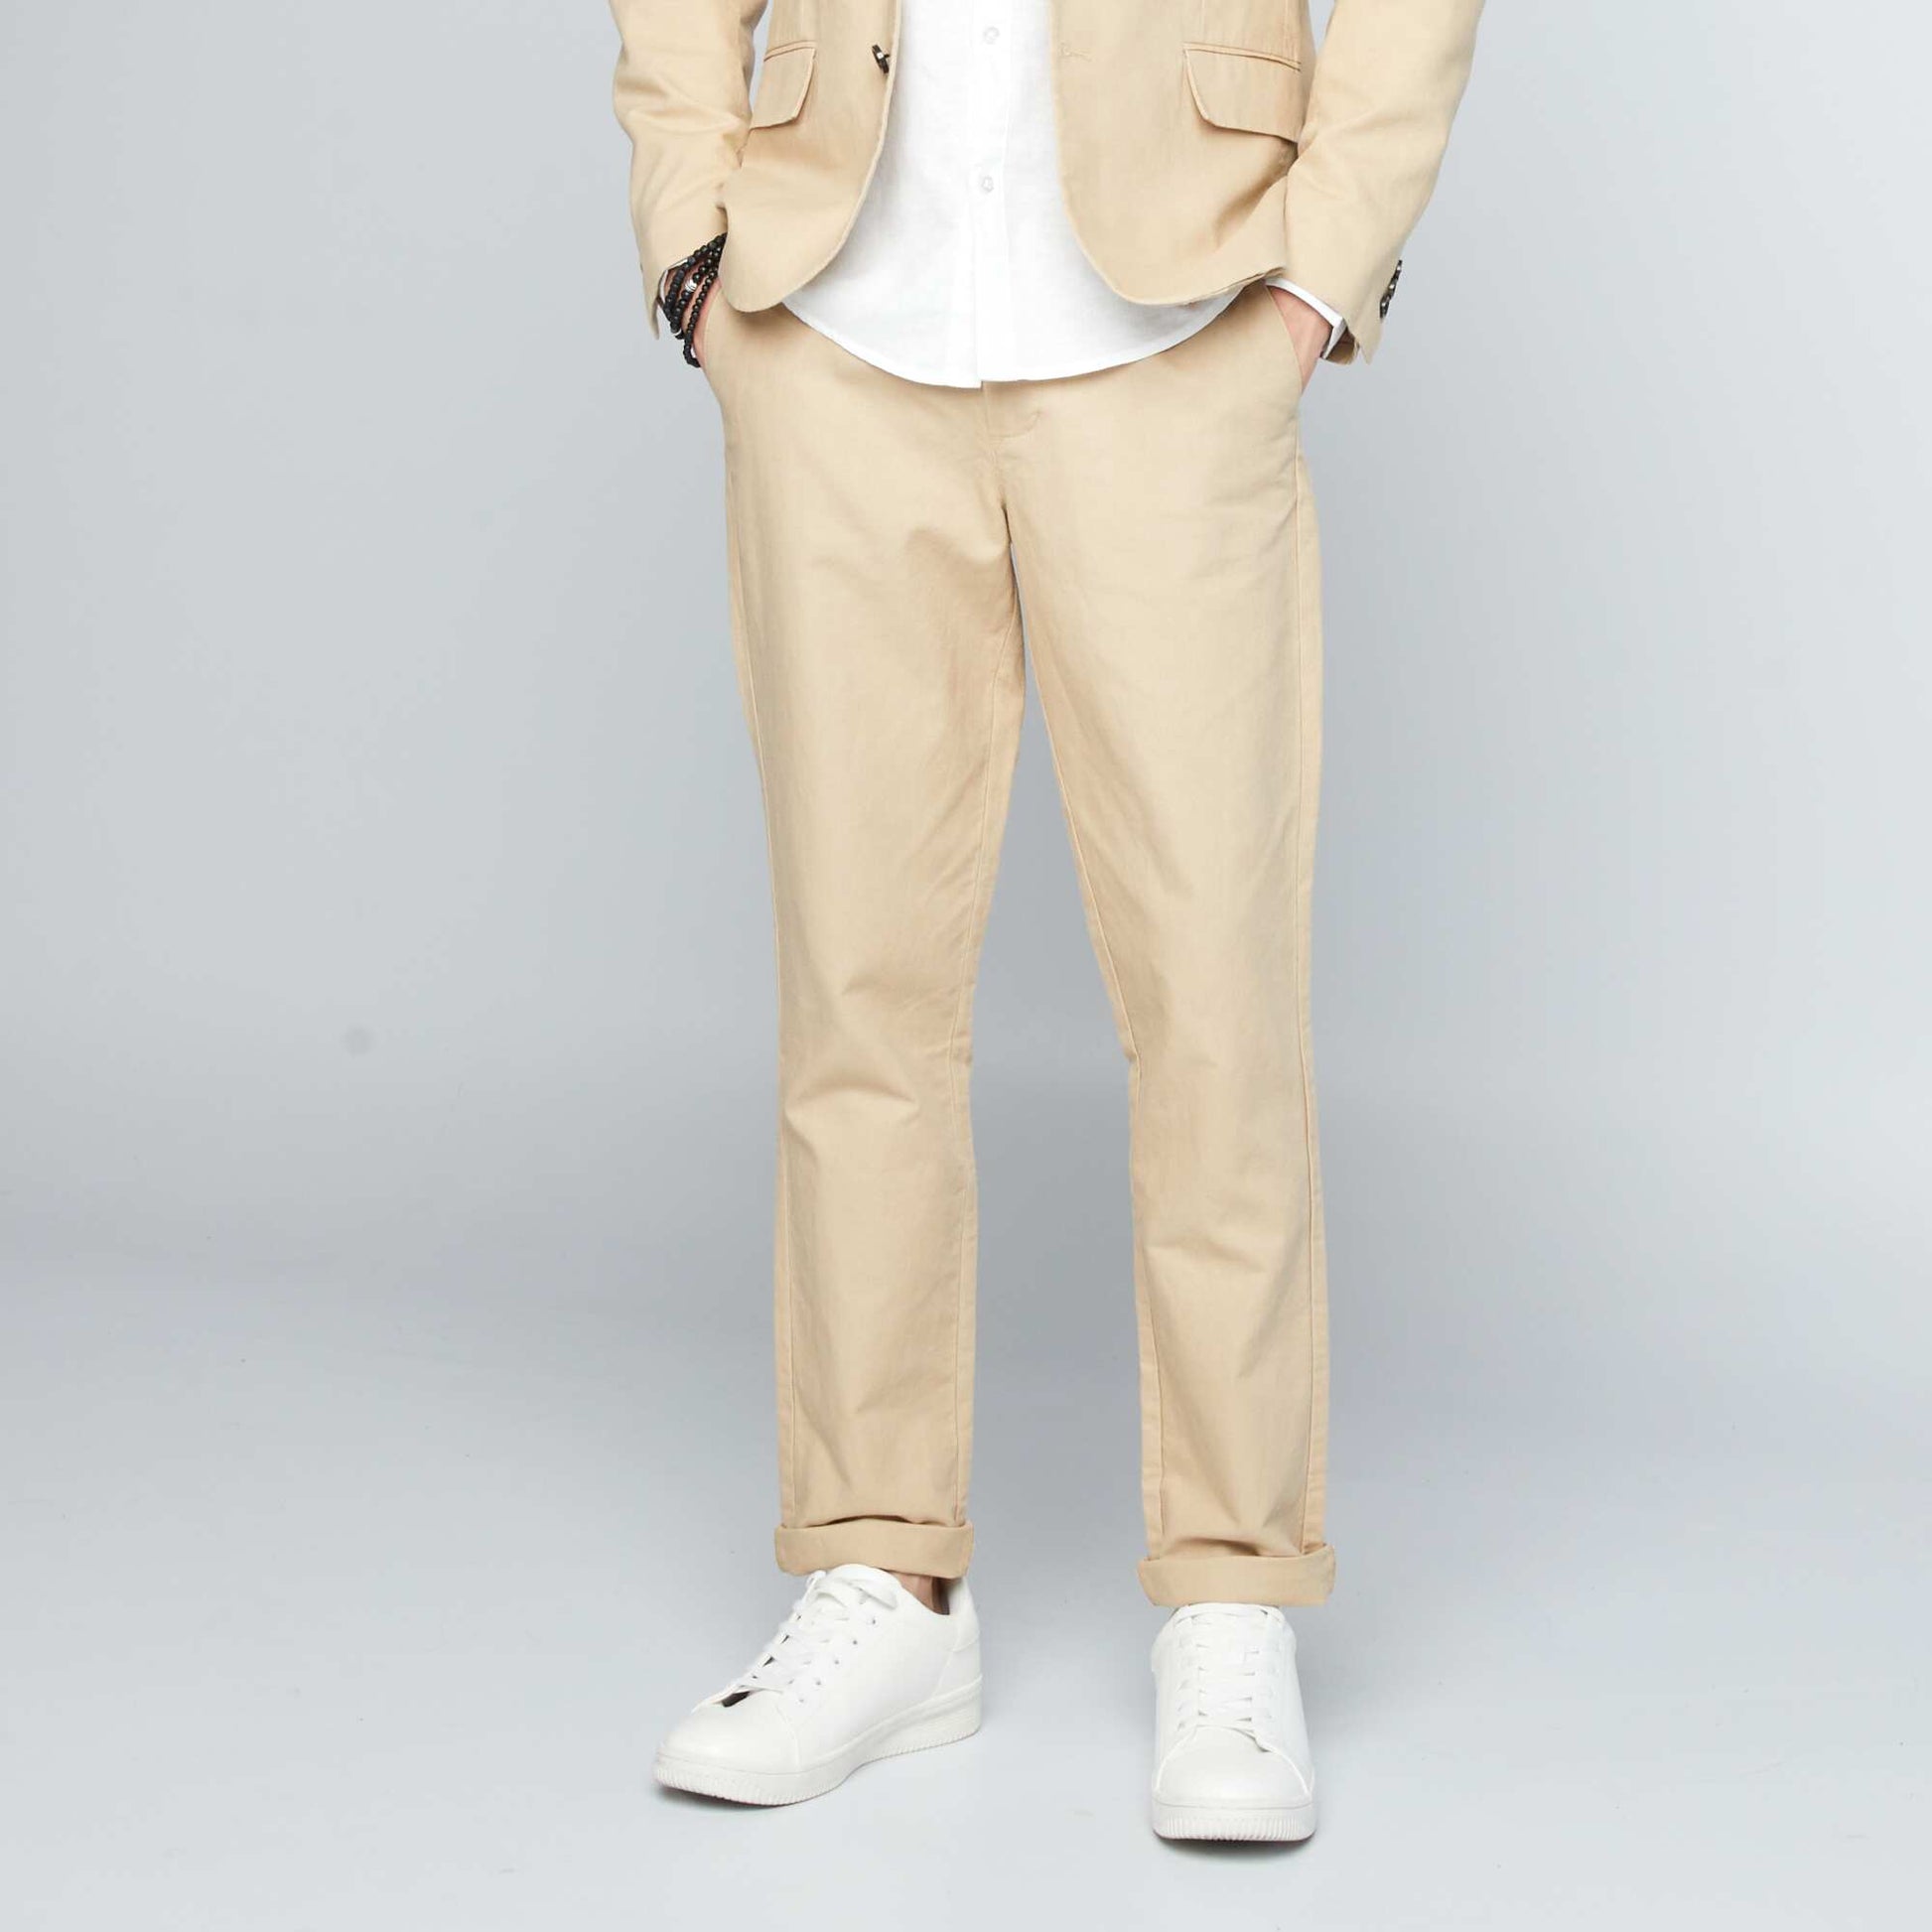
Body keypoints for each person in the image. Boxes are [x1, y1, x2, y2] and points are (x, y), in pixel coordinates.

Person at [609, 0, 1483, 1841]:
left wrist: (1318, 274)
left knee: (1215, 1000)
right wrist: (691, 237)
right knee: (856, 995)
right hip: (833, 322)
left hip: (1181, 323)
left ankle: (1232, 1590)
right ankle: (881, 1575)